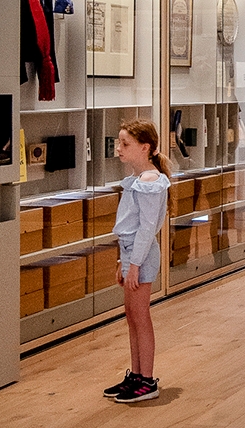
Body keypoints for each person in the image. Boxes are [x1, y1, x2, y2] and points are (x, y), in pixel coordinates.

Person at [101, 121, 170, 404]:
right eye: (119, 142)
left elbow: (146, 228)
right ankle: (137, 374)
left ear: (145, 148)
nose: (119, 149)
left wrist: (135, 264)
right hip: (131, 254)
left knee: (140, 317)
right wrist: (124, 260)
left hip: (140, 256)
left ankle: (147, 379)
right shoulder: (139, 180)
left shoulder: (151, 182)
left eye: (125, 144)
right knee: (132, 316)